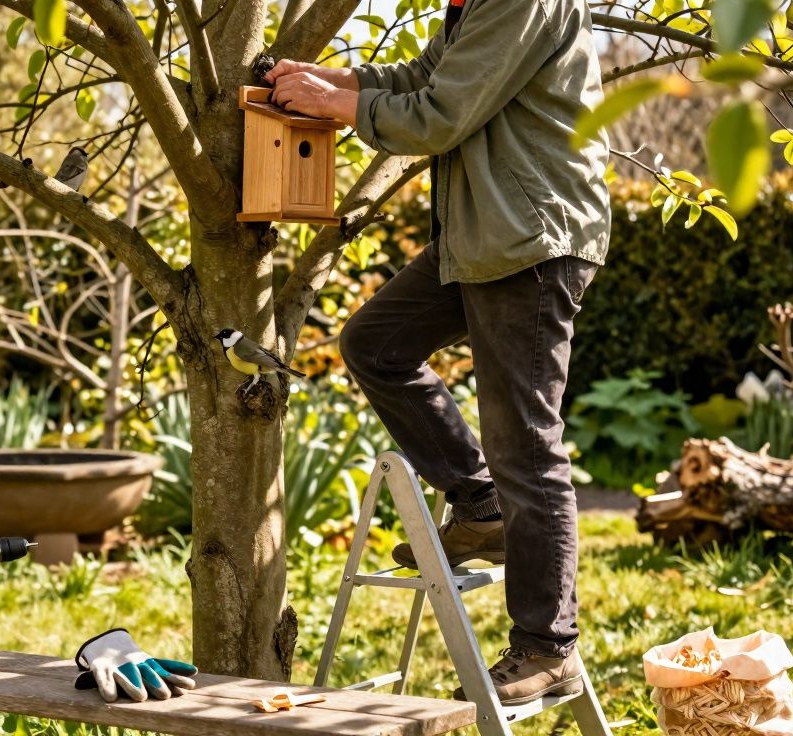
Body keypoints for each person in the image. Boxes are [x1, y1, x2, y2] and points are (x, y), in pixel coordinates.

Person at [265, 0, 610, 707]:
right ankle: (480, 504)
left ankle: (549, 648)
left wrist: (334, 106)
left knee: (526, 444)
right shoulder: (472, 7)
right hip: (485, 235)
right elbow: (419, 75)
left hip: (531, 239)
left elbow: (440, 112)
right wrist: (330, 77)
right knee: (375, 343)